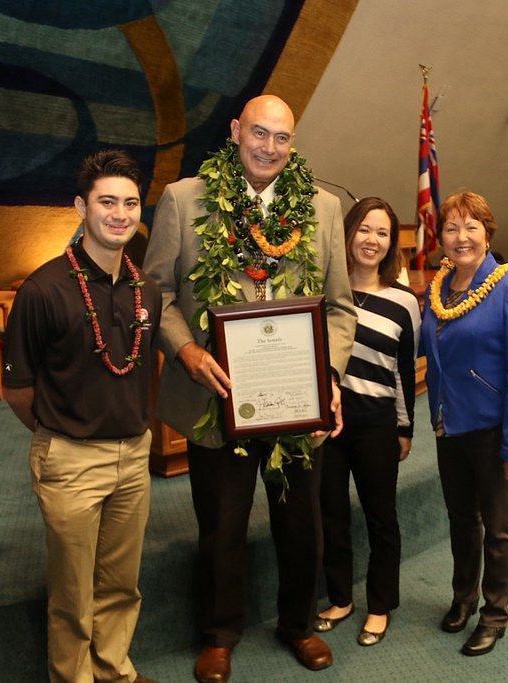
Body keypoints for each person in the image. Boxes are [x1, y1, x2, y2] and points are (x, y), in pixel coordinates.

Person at [143, 94, 356, 682]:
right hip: (215, 400)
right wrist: (184, 349)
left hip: (297, 402)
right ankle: (219, 634)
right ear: (237, 131)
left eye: (281, 138)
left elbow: (339, 308)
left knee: (300, 526)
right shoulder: (185, 201)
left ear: (293, 143)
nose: (268, 147)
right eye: (258, 133)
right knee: (222, 526)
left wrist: (330, 376)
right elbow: (155, 293)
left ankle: (299, 625)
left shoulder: (322, 208)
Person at [2, 150, 161, 683]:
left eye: (131, 203)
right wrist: (62, 433)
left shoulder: (148, 291)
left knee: (121, 584)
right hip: (70, 459)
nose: (120, 213)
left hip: (134, 459)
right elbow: (17, 389)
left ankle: (115, 670)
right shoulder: (42, 290)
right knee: (72, 594)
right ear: (80, 207)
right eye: (107, 201)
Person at [421, 191, 508, 657]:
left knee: (499, 529)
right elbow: (425, 347)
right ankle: (462, 598)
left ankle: (495, 615)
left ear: (487, 233)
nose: (460, 236)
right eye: (451, 228)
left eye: (471, 226)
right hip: (449, 427)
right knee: (460, 521)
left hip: (495, 433)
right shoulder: (438, 290)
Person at [313, 198, 420, 647]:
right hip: (328, 424)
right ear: (348, 233)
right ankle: (341, 598)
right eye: (364, 230)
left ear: (391, 243)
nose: (371, 241)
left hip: (377, 423)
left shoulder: (404, 302)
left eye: (382, 233)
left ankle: (380, 605)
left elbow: (404, 371)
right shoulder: (322, 294)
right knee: (331, 515)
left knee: (381, 518)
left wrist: (404, 427)